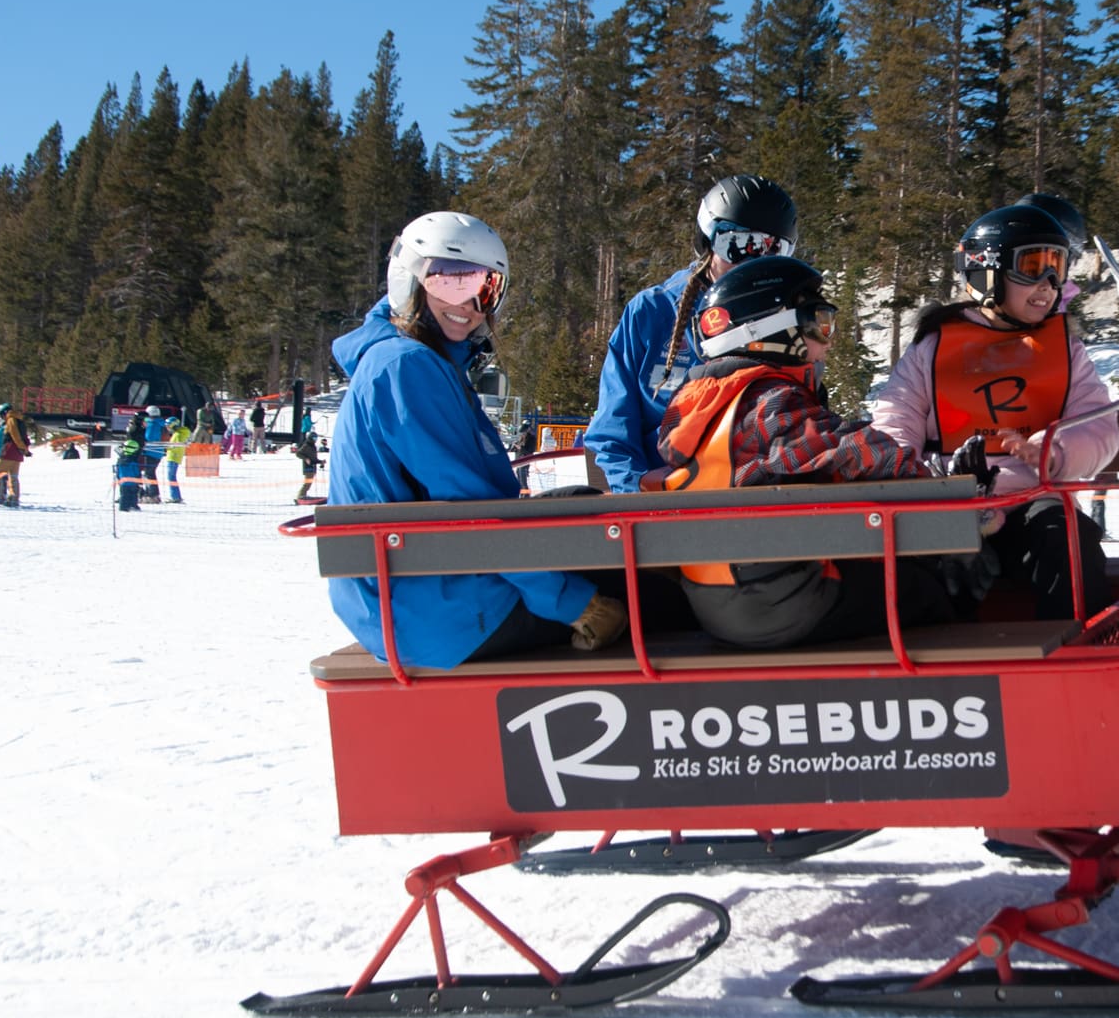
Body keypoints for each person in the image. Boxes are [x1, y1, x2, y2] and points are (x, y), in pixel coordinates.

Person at [326, 210, 626, 670]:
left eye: (487, 289)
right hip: (438, 614)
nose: (468, 304)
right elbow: (470, 509)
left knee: (585, 506)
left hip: (417, 594)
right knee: (648, 592)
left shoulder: (416, 362)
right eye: (449, 282)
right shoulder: (406, 368)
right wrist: (575, 605)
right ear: (408, 278)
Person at [655, 254, 954, 649]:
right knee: (937, 586)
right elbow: (854, 452)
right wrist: (938, 489)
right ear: (771, 332)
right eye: (819, 323)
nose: (826, 343)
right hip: (780, 602)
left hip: (719, 599)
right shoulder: (768, 402)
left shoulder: (701, 408)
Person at [869, 202, 1119, 619]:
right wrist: (920, 481)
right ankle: (938, 665)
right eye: (1033, 266)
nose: (1048, 283)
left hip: (1031, 498)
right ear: (987, 270)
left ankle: (1078, 653)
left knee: (1067, 539)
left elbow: (1098, 425)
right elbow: (895, 419)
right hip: (949, 502)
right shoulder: (934, 348)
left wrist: (1052, 452)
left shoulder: (1064, 351)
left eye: (1057, 266)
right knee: (926, 562)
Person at [584, 174, 800, 494]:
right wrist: (637, 502)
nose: (753, 263)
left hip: (749, 504)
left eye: (772, 250)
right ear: (707, 241)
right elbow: (613, 432)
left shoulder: (788, 323)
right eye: (737, 246)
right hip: (658, 502)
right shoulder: (653, 312)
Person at [0, 401, 32, 506]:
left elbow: (15, 436)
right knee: (13, 476)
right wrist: (24, 450)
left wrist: (23, 448)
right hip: (18, 454)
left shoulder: (11, 420)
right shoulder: (19, 420)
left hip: (8, 452)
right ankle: (13, 498)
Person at [115, 414, 145, 512]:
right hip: (131, 481)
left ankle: (130, 505)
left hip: (125, 481)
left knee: (127, 492)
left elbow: (117, 470)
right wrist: (139, 478)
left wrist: (118, 478)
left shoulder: (121, 460)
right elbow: (136, 470)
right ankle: (125, 506)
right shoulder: (134, 429)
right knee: (129, 493)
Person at [140, 404, 167, 503]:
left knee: (148, 473)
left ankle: (152, 494)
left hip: (150, 451)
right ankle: (152, 493)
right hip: (158, 452)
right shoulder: (162, 423)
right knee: (150, 473)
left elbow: (149, 437)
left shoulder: (151, 424)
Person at [164, 417, 190, 503]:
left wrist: (169, 447)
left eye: (168, 426)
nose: (167, 428)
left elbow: (178, 445)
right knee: (171, 477)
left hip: (174, 457)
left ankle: (175, 496)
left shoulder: (178, 434)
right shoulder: (177, 433)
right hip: (173, 456)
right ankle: (175, 496)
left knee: (171, 477)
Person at [294, 430, 321, 503]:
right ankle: (300, 496)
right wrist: (306, 459)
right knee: (307, 482)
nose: (315, 440)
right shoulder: (306, 445)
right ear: (310, 438)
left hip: (312, 467)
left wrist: (320, 462)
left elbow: (313, 458)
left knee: (309, 482)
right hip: (307, 467)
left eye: (316, 438)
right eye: (314, 438)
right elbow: (298, 453)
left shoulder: (313, 446)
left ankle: (303, 495)